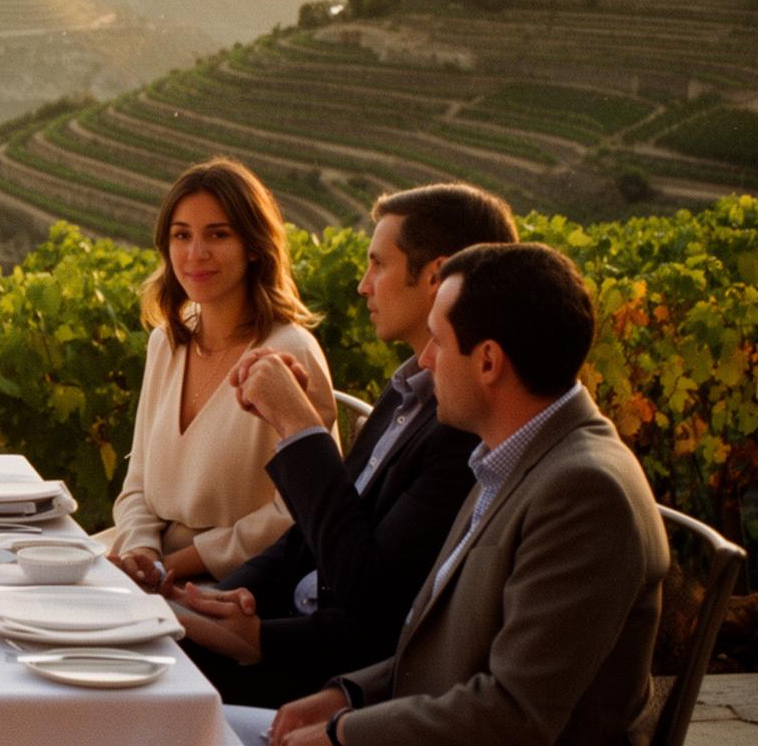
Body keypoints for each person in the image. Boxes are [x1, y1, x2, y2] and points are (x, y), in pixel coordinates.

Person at [266, 243, 669, 746]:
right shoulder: (511, 453)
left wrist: (345, 734)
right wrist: (350, 696)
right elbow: (445, 650)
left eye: (437, 340)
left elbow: (515, 715)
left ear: (488, 362)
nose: (425, 360)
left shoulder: (585, 493)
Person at [171, 184, 516, 707]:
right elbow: (313, 532)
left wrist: (298, 424)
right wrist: (226, 596)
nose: (362, 286)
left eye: (377, 265)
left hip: (319, 677)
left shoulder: (465, 429)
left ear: (436, 277)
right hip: (284, 631)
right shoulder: (408, 392)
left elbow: (373, 604)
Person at [106, 157, 336, 585]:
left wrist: (171, 568)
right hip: (150, 569)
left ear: (253, 246)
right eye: (182, 235)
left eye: (218, 234)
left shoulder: (289, 352)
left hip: (238, 586)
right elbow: (136, 481)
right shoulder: (166, 343)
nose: (196, 253)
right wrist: (141, 550)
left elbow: (297, 511)